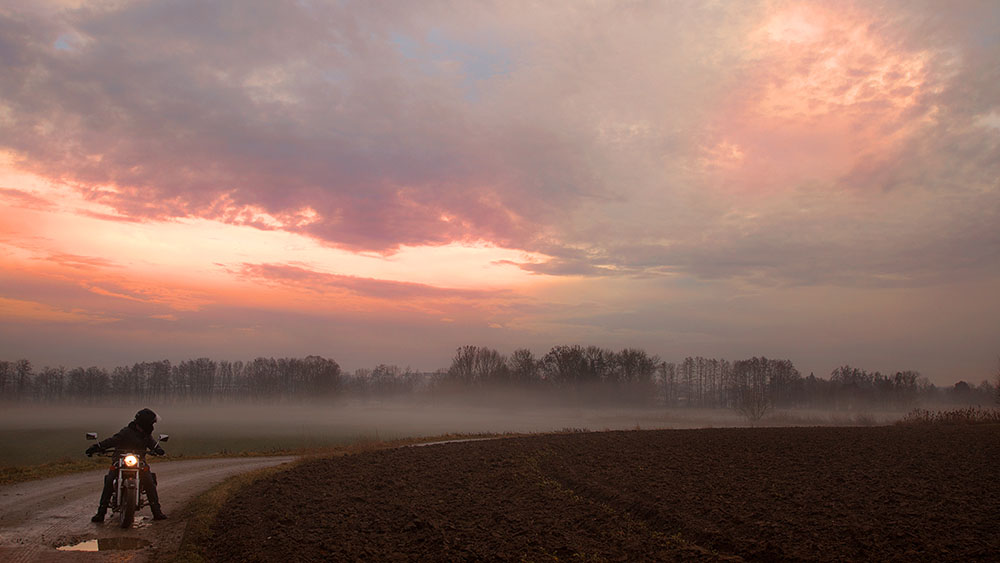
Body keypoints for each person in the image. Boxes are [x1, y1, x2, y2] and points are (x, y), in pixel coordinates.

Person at [85, 408, 168, 522]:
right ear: (145, 423)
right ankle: (101, 513)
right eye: (151, 423)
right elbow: (112, 440)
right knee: (109, 481)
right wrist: (96, 447)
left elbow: (153, 444)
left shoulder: (146, 435)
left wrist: (158, 449)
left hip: (139, 461)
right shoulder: (126, 432)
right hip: (120, 460)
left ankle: (157, 512)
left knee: (149, 481)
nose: (152, 425)